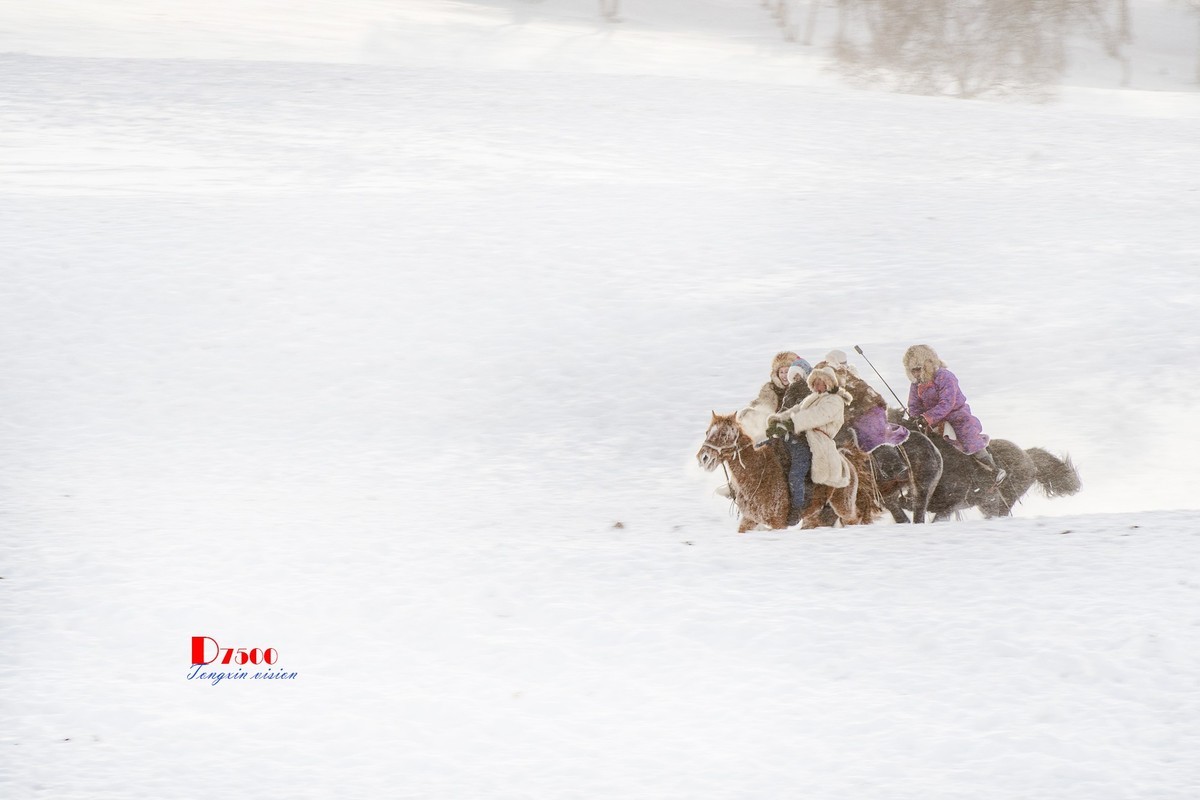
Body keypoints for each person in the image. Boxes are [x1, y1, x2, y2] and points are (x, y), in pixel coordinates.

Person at [903, 344, 1006, 484]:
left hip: (955, 415)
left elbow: (947, 403)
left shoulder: (945, 376)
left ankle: (993, 469)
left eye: (918, 369)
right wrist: (915, 417)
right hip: (930, 421)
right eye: (912, 370)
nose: (915, 373)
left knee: (967, 435)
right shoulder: (916, 384)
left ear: (927, 364)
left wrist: (927, 417)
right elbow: (914, 404)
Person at [815, 350, 909, 481]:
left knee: (874, 433)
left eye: (844, 363)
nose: (843, 366)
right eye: (840, 363)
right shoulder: (825, 376)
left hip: (865, 409)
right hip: (845, 413)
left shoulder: (847, 375)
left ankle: (892, 465)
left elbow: (862, 392)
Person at [765, 366, 855, 496]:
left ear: (828, 383)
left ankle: (797, 505)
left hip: (817, 440)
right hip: (800, 435)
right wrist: (779, 420)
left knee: (797, 470)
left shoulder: (835, 400)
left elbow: (816, 415)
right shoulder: (813, 398)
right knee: (766, 448)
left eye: (819, 383)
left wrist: (790, 424)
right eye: (814, 383)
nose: (816, 386)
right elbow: (797, 410)